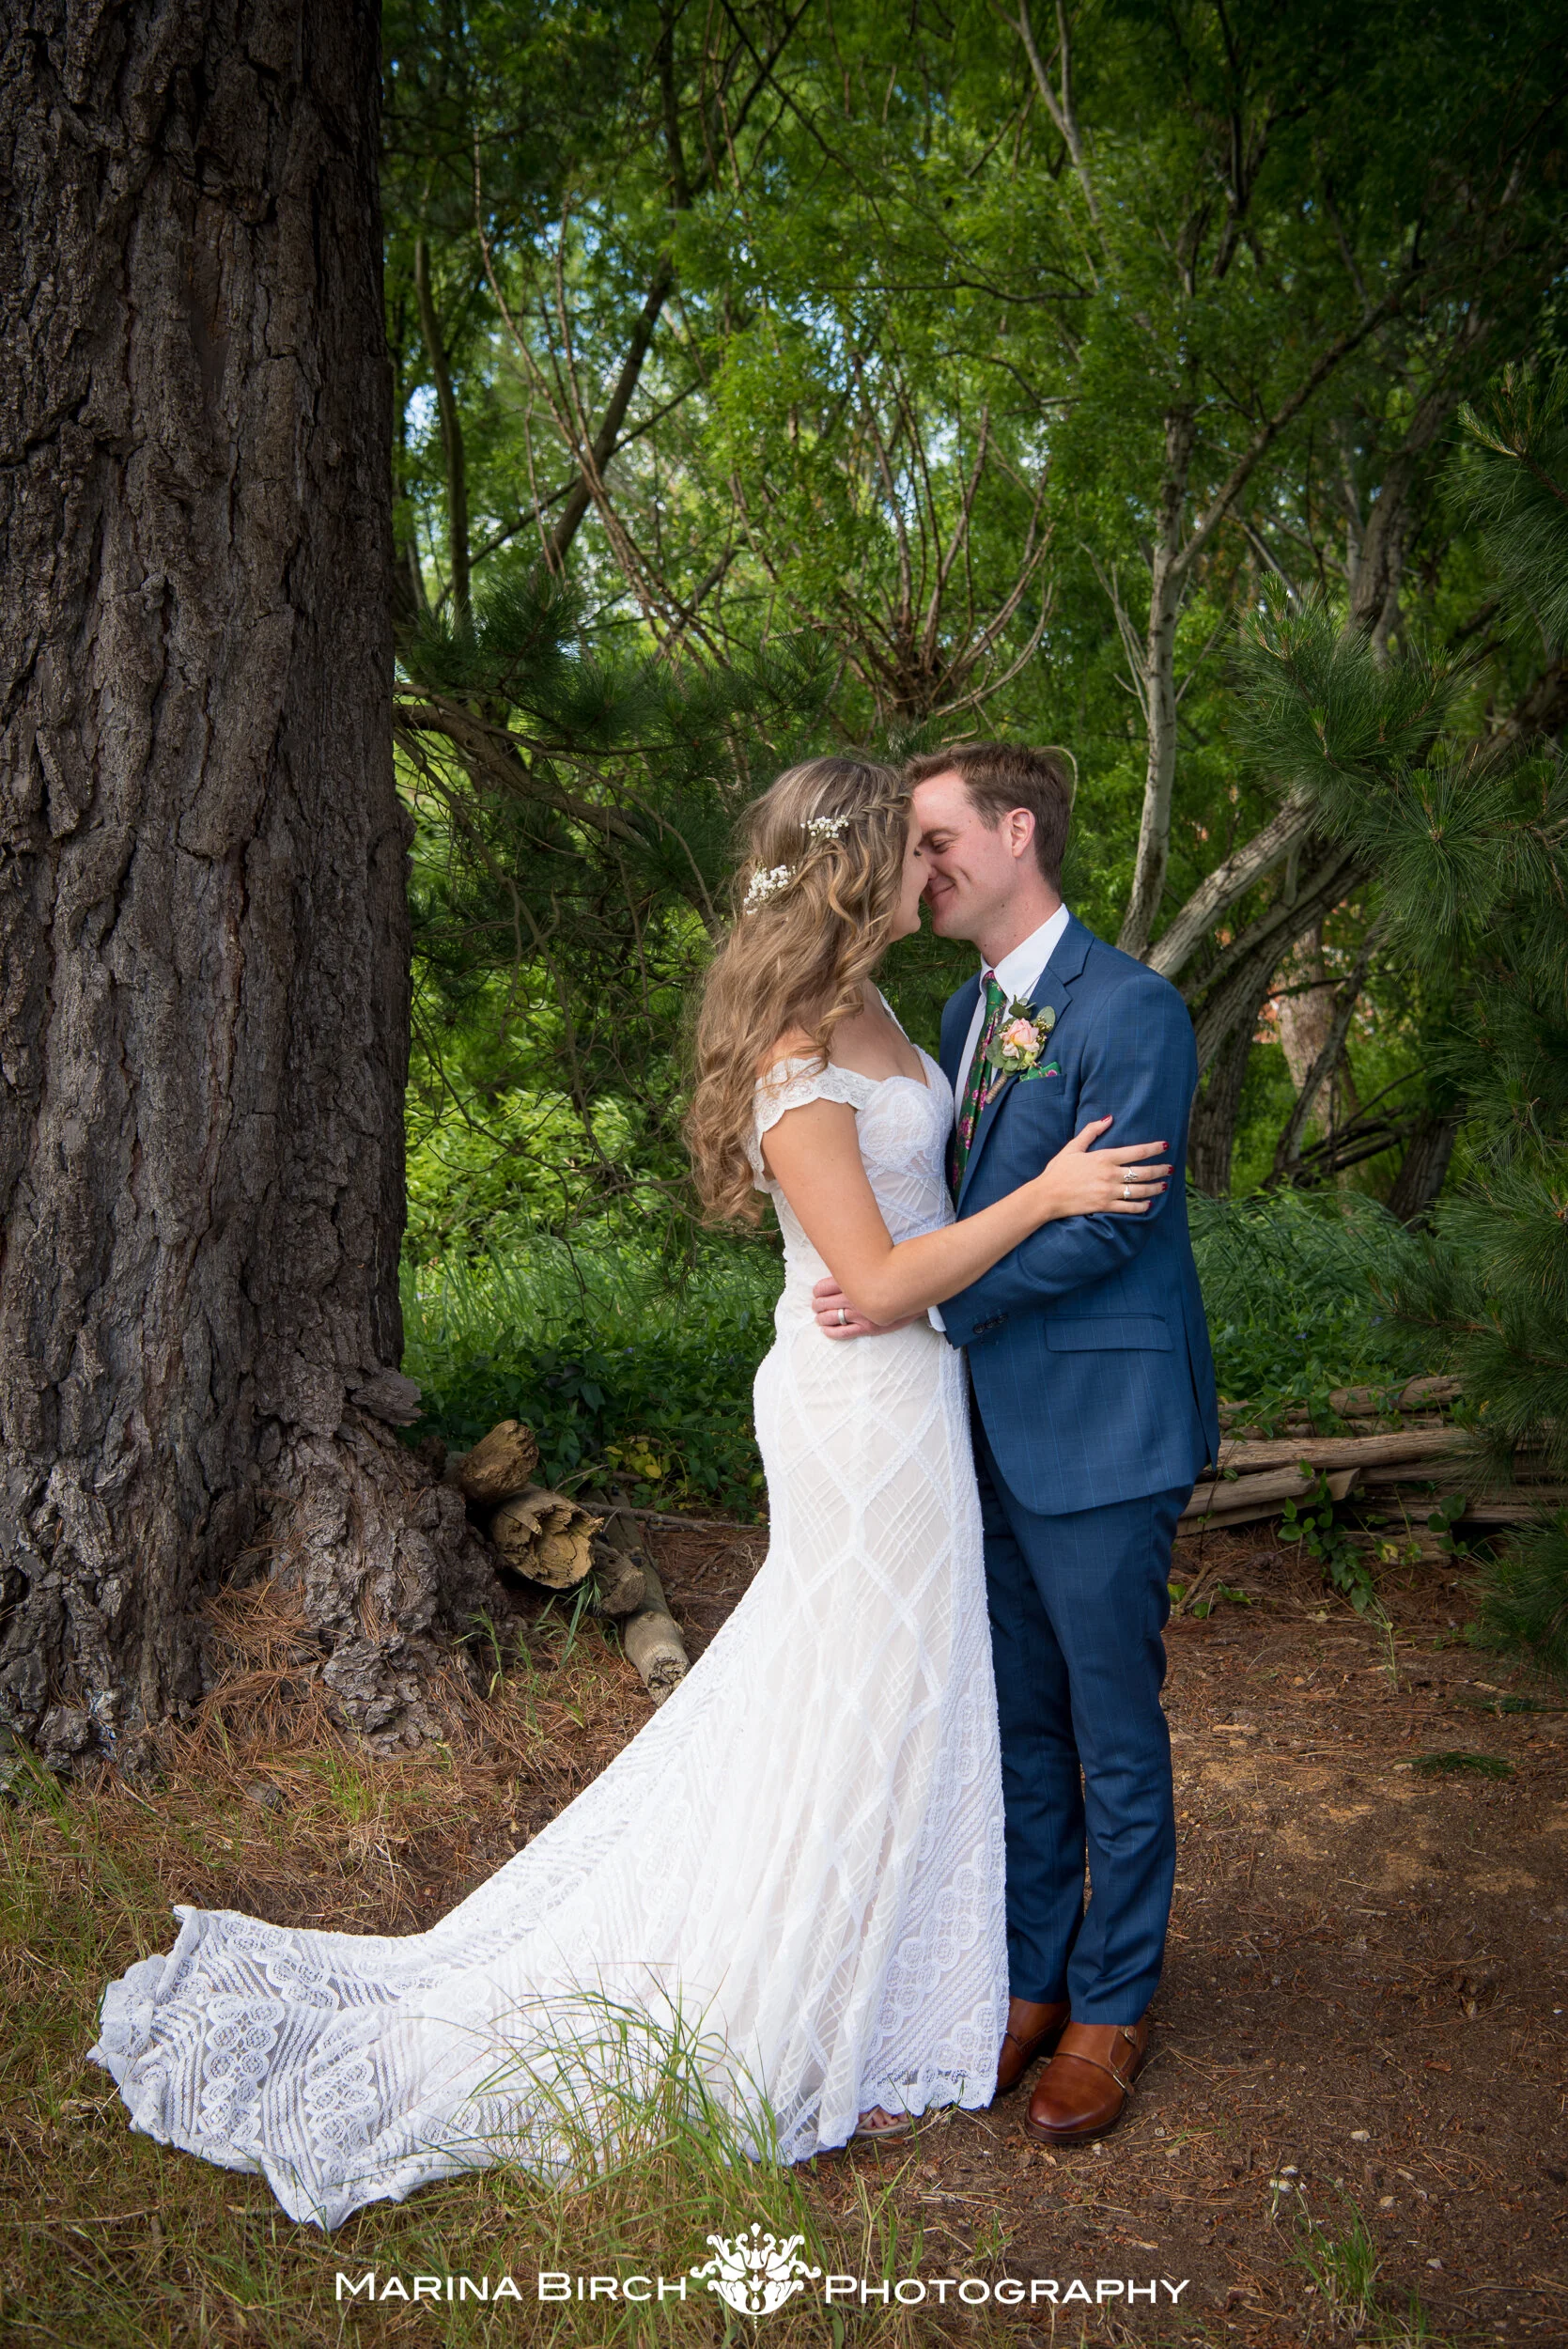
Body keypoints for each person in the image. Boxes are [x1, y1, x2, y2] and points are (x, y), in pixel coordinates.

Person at [89, 754, 1170, 2225]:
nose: (931, 871)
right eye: (909, 849)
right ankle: (801, 1966)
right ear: (858, 869)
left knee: (922, 1693)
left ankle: (961, 1964)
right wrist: (1002, 1225)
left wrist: (933, 1268)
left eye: (944, 841)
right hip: (865, 1406)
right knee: (861, 1686)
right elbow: (880, 1267)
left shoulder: (925, 1014)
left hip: (930, 1396)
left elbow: (933, 1218)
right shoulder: (804, 1045)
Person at [812, 743, 1218, 2147]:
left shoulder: (1133, 1009)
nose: (913, 869)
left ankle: (1114, 2005)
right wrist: (905, 1286)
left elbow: (1109, 1221)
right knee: (1023, 1727)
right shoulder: (964, 1008)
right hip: (975, 1428)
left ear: (1016, 832)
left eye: (932, 841)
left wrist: (921, 1300)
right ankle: (1032, 1974)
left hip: (1103, 1430)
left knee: (1112, 1732)